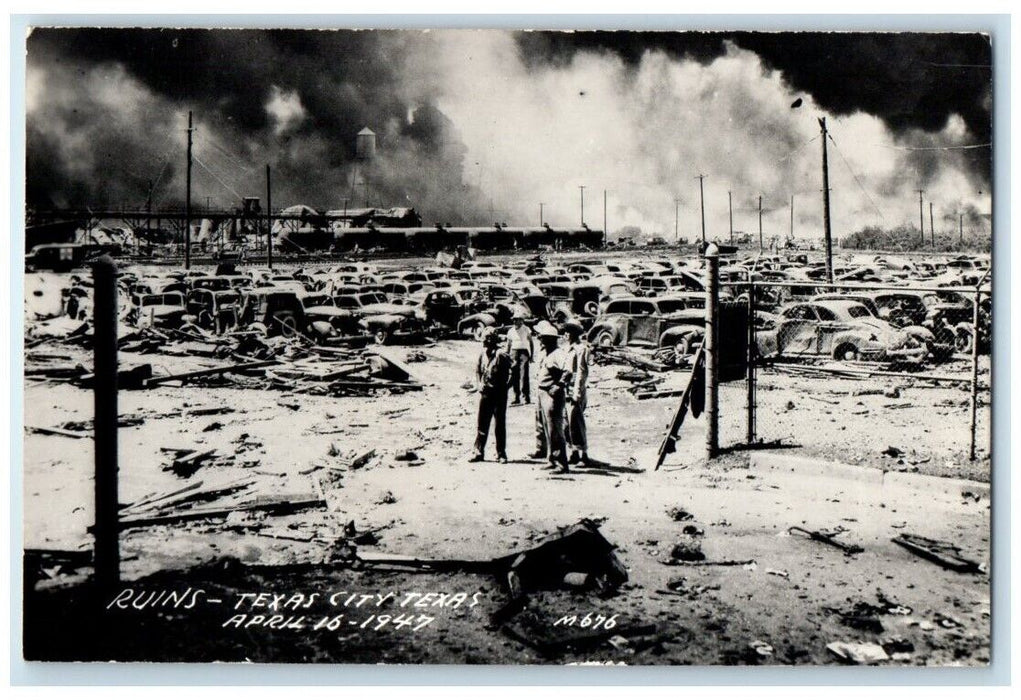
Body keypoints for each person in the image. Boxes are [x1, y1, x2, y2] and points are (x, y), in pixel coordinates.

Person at [530, 321, 573, 474]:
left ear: (549, 339)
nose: (539, 340)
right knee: (548, 429)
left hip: (551, 394)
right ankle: (552, 459)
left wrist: (559, 385)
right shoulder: (547, 353)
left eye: (542, 338)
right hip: (543, 393)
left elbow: (568, 372)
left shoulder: (558, 354)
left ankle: (561, 464)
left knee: (555, 430)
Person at [469, 329, 512, 464]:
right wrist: (479, 383)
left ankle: (501, 453)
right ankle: (478, 451)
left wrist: (506, 387)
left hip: (499, 394)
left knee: (499, 424)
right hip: (486, 393)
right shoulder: (482, 354)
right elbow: (477, 370)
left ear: (494, 339)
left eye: (488, 338)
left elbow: (513, 372)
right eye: (484, 338)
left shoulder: (501, 355)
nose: (484, 341)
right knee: (482, 423)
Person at [563, 321, 591, 466]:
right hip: (566, 389)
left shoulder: (581, 349)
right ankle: (573, 452)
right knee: (566, 424)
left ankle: (584, 454)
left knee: (577, 422)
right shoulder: (567, 349)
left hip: (575, 390)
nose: (565, 334)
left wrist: (577, 393)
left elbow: (581, 372)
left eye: (568, 332)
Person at [506, 313, 533, 405]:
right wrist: (507, 356)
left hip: (524, 353)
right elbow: (508, 344)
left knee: (524, 376)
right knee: (514, 375)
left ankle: (526, 397)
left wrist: (531, 355)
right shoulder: (510, 331)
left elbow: (531, 342)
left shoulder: (526, 329)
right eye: (514, 319)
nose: (515, 321)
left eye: (517, 319)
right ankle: (516, 397)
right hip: (514, 353)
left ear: (521, 320)